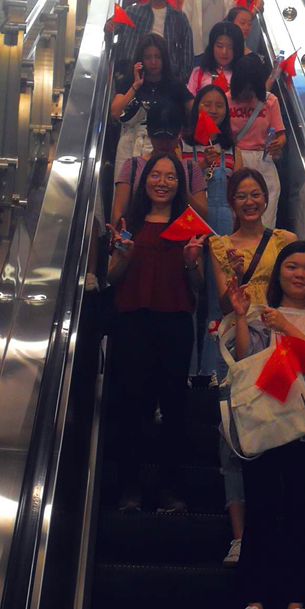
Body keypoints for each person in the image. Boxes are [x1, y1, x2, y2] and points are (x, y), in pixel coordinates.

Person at [226, 241, 305, 609]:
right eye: (292, 266)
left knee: (299, 513)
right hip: (265, 420)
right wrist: (241, 316)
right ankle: (253, 605)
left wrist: (286, 327)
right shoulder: (262, 312)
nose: (299, 274)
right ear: (279, 272)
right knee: (260, 511)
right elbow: (245, 361)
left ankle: (296, 607)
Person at [106, 153, 205, 514]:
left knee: (175, 408)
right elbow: (112, 278)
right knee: (131, 404)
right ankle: (129, 488)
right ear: (144, 178)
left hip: (175, 322)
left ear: (180, 184)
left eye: (171, 177)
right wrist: (124, 256)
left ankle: (171, 490)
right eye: (155, 175)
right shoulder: (127, 222)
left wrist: (191, 262)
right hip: (132, 321)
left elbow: (198, 286)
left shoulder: (189, 224)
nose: (162, 182)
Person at [209, 168, 297, 565]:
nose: (249, 202)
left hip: (277, 341)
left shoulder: (285, 240)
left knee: (278, 431)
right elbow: (223, 305)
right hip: (237, 343)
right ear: (231, 202)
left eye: (255, 194)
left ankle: (273, 532)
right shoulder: (220, 245)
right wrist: (236, 277)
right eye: (241, 196)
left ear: (266, 197)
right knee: (234, 439)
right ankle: (240, 537)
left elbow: (297, 288)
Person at [182, 85, 242, 382]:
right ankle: (186, 371)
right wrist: (200, 166)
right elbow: (176, 183)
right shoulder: (183, 144)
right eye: (207, 104)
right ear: (197, 109)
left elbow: (239, 189)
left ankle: (214, 372)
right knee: (189, 295)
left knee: (220, 300)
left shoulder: (232, 148)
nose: (214, 110)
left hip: (225, 222)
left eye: (219, 105)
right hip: (190, 221)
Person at [111, 33, 194, 179]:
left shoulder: (174, 84)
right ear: (141, 59)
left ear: (164, 58)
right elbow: (115, 112)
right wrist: (136, 85)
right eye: (148, 57)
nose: (153, 62)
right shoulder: (129, 81)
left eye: (158, 56)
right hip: (130, 141)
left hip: (164, 143)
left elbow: (196, 110)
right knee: (125, 183)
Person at [112, 101, 208, 225]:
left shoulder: (190, 168)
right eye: (158, 138)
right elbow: (118, 211)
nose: (164, 143)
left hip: (180, 234)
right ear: (148, 133)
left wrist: (182, 187)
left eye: (169, 138)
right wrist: (118, 234)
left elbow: (203, 216)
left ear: (180, 133)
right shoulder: (133, 166)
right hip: (138, 234)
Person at [107, 0, 193, 82]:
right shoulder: (132, 12)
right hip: (133, 73)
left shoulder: (179, 18)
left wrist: (180, 80)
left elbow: (187, 52)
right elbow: (110, 29)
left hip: (168, 76)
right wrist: (109, 26)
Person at [228, 55, 286, 228]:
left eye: (251, 89)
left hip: (263, 159)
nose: (246, 94)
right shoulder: (225, 99)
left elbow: (281, 135)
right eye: (243, 88)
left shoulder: (270, 101)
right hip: (235, 158)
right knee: (235, 212)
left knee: (267, 213)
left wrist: (278, 144)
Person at [187, 21, 244, 95]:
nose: (224, 52)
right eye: (219, 46)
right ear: (212, 47)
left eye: (230, 47)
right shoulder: (198, 73)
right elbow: (190, 100)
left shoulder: (243, 75)